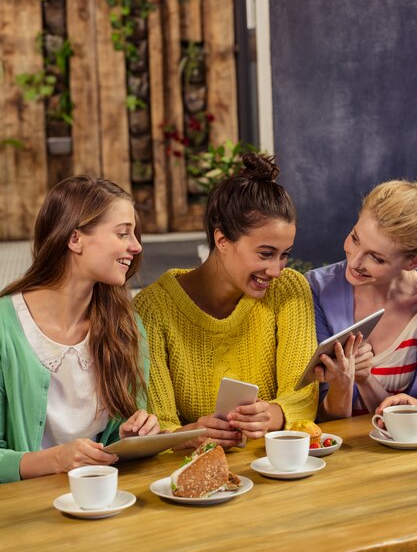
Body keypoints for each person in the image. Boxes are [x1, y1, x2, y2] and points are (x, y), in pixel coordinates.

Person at [133, 153, 318, 449]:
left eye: (284, 254)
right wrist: (191, 433)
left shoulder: (289, 290)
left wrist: (271, 415)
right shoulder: (153, 310)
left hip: (275, 467)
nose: (277, 270)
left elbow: (302, 396)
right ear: (222, 240)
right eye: (265, 254)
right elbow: (157, 423)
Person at [0, 176, 160, 483]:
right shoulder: (5, 329)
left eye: (134, 234)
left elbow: (112, 445)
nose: (136, 246)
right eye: (123, 233)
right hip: (25, 516)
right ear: (75, 239)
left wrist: (130, 435)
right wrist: (56, 459)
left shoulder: (126, 327)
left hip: (104, 500)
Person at [305, 180, 417, 420]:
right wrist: (342, 384)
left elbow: (407, 420)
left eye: (376, 258)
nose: (354, 263)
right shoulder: (316, 289)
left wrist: (366, 379)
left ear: (412, 262)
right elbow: (319, 420)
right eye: (355, 239)